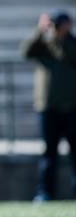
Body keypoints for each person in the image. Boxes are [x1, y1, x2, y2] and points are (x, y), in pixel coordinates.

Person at [22, 11, 76, 201]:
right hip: (48, 108)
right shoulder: (44, 45)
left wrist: (65, 36)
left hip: (72, 108)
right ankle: (45, 193)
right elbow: (26, 52)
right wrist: (40, 30)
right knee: (49, 154)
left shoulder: (71, 43)